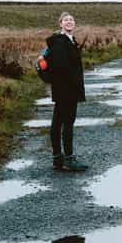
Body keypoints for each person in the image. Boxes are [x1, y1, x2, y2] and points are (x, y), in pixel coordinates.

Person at [45, 12, 87, 172]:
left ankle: (58, 158)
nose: (69, 22)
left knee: (57, 123)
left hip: (65, 89)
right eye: (66, 20)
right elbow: (62, 67)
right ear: (60, 24)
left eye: (71, 19)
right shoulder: (61, 42)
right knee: (67, 123)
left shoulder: (69, 41)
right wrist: (70, 86)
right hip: (66, 90)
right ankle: (68, 159)